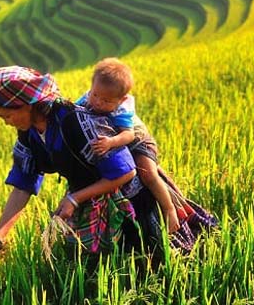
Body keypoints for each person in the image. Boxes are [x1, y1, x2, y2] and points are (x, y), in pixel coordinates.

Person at [0, 66, 140, 272]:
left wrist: (75, 198)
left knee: (131, 260)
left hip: (125, 195)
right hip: (85, 194)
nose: (6, 123)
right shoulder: (28, 134)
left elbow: (125, 172)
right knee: (82, 264)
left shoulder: (75, 121)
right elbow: (22, 186)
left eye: (6, 116)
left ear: (27, 106)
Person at [76, 58, 180, 234]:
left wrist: (110, 143)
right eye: (95, 95)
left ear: (121, 99)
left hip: (138, 142)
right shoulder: (90, 97)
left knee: (148, 174)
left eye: (107, 101)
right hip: (120, 145)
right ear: (91, 87)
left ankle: (169, 209)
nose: (99, 102)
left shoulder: (122, 110)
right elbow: (75, 110)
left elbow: (128, 135)